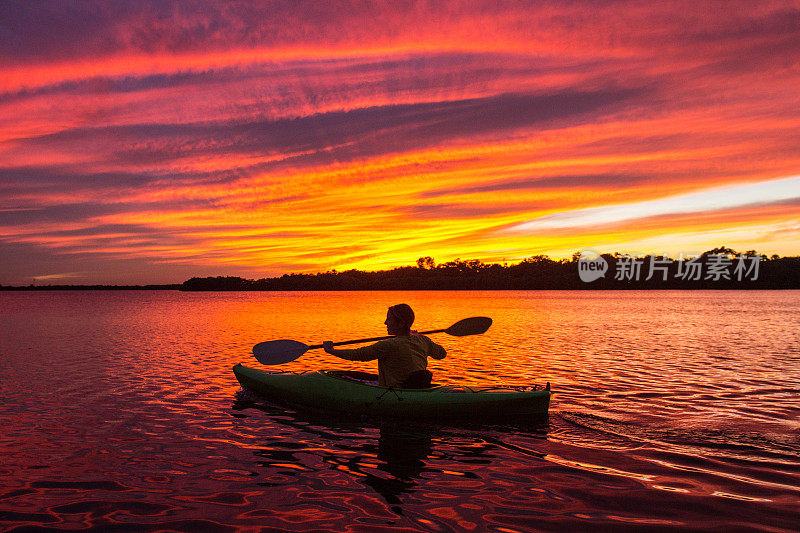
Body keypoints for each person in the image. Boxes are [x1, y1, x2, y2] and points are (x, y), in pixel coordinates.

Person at [322, 304, 446, 388]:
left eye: (389, 319)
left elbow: (357, 355)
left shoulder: (389, 344)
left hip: (395, 391)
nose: (385, 322)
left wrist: (331, 350)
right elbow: (441, 354)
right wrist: (417, 337)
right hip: (417, 387)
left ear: (401, 323)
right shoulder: (423, 340)